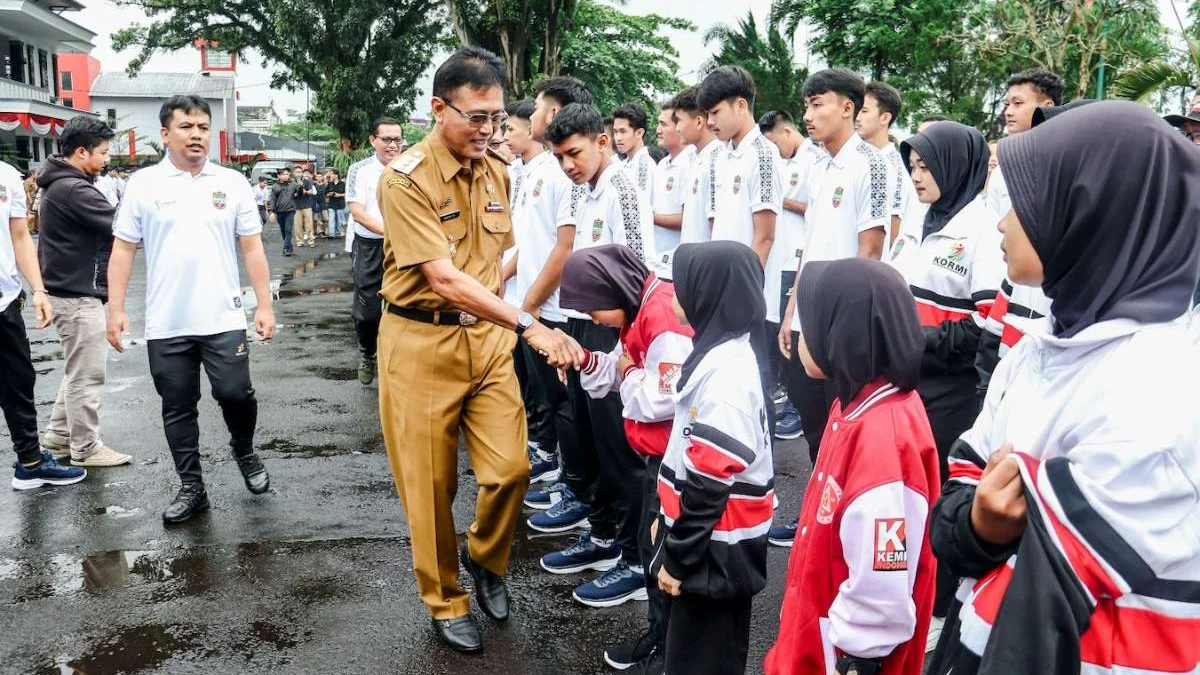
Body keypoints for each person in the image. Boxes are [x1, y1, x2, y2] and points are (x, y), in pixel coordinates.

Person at [926, 101, 1200, 675]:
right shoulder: (1036, 350)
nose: (1002, 222)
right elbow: (957, 498)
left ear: (1091, 214)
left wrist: (986, 521)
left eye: (1025, 203)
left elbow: (1038, 634)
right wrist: (980, 523)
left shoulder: (1156, 394)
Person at [374, 46, 582, 653]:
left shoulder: (496, 171)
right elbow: (442, 277)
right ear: (439, 109)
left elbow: (494, 258)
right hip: (421, 341)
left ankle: (488, 558)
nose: (490, 131)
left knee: (510, 469)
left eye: (497, 119)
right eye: (477, 117)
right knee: (430, 488)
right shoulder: (405, 178)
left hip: (487, 340)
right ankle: (445, 598)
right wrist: (528, 322)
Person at [763, 258, 940, 675]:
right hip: (814, 641)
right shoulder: (857, 405)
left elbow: (880, 587)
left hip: (839, 657)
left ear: (841, 334)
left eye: (810, 326)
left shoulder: (884, 443)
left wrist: (855, 658)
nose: (799, 340)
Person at [106, 94, 276, 524]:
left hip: (223, 316)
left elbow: (252, 247)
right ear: (166, 134)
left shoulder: (231, 182)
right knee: (177, 406)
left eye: (202, 127)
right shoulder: (143, 184)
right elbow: (123, 249)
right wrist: (116, 308)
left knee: (235, 394)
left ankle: (244, 448)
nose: (196, 135)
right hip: (167, 322)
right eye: (186, 127)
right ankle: (192, 486)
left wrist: (264, 305)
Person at [891, 121, 1005, 641]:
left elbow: (985, 325)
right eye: (912, 166)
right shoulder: (921, 220)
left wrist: (920, 342)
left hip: (949, 393)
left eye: (926, 166)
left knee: (937, 496)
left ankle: (936, 612)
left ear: (958, 167)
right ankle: (903, 590)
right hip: (907, 381)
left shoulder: (982, 230)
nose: (917, 176)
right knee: (905, 495)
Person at [558, 244, 694, 673]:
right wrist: (586, 359)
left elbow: (661, 397)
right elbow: (620, 368)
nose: (593, 320)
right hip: (658, 457)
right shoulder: (640, 307)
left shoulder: (661, 314)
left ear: (610, 289)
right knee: (651, 548)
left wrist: (627, 372)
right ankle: (659, 640)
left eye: (592, 309)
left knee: (664, 557)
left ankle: (668, 650)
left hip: (677, 460)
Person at [542, 102, 655, 608]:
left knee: (620, 448)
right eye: (560, 156)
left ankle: (635, 561)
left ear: (603, 140)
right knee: (590, 441)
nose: (568, 163)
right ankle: (606, 538)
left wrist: (629, 346)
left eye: (575, 152)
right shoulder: (582, 190)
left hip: (615, 330)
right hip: (584, 325)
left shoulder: (623, 192)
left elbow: (636, 273)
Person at [654, 241, 773, 675]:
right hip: (709, 544)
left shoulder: (727, 381)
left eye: (682, 286)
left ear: (708, 294)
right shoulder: (720, 353)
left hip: (715, 553)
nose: (673, 294)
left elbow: (708, 484)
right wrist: (665, 515)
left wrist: (678, 557)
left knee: (702, 658)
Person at [779, 68, 888, 471]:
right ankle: (815, 516)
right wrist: (792, 312)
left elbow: (872, 249)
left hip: (845, 323)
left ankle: (843, 522)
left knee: (846, 427)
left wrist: (849, 323)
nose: (808, 114)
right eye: (806, 105)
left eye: (817, 104)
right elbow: (810, 245)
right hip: (810, 317)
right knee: (814, 427)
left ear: (847, 107)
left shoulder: (870, 165)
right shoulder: (819, 168)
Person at [35, 115, 132, 467]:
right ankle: (86, 447)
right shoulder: (74, 189)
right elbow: (121, 225)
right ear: (81, 152)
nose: (107, 159)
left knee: (78, 370)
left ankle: (60, 436)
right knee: (88, 374)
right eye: (103, 152)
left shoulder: (60, 184)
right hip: (75, 295)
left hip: (67, 291)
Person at [517, 77, 591, 526]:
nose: (533, 118)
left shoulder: (566, 171)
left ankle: (576, 488)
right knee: (553, 402)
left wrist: (528, 304)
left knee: (568, 408)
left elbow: (565, 248)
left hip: (557, 308)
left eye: (541, 109)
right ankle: (568, 477)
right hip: (537, 305)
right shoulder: (542, 168)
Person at [975, 69, 1063, 398]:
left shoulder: (1060, 166)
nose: (1008, 111)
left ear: (1046, 106)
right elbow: (994, 229)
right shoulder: (1002, 170)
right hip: (1008, 289)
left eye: (1018, 103)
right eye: (1006, 103)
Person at [2, 159, 86, 490]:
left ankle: (31, 464)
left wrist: (38, 290)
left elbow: (20, 236)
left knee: (18, 383)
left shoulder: (6, 175)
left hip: (5, 301)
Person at [498, 98, 560, 487]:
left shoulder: (552, 170)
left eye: (509, 128)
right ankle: (539, 444)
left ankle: (549, 453)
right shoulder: (523, 170)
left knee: (548, 389)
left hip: (538, 296)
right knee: (528, 379)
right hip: (521, 293)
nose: (504, 135)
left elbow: (555, 243)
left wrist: (504, 275)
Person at [758, 110, 820, 446]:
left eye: (774, 142)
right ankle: (784, 395)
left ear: (786, 130)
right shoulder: (780, 163)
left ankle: (795, 403)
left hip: (799, 255)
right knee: (776, 330)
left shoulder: (814, 158)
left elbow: (816, 208)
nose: (773, 149)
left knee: (792, 333)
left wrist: (780, 201)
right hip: (782, 257)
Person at [700, 65, 781, 267]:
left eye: (715, 112)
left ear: (741, 106)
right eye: (708, 114)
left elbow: (764, 238)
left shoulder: (763, 154)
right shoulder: (717, 156)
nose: (710, 122)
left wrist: (742, 286)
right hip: (720, 277)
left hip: (748, 285)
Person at [347, 117, 406, 386]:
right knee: (368, 312)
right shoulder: (359, 170)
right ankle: (368, 351)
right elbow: (358, 212)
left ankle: (398, 361)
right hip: (371, 246)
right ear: (373, 140)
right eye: (387, 139)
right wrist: (390, 233)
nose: (394, 145)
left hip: (406, 247)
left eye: (398, 139)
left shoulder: (412, 167)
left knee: (406, 306)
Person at [858, 82, 916, 248]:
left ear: (885, 118)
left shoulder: (899, 167)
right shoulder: (847, 160)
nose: (857, 117)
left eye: (864, 111)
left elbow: (894, 223)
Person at [673, 86, 720, 246]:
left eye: (679, 120)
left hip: (707, 264)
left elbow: (716, 226)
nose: (677, 128)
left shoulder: (716, 161)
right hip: (692, 261)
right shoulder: (694, 158)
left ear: (699, 122)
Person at [650, 97, 693, 261]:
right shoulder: (661, 164)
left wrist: (650, 217)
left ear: (679, 127)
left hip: (675, 260)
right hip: (657, 258)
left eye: (664, 124)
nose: (658, 130)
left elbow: (688, 218)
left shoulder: (689, 164)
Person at [612, 103, 655, 203]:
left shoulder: (644, 165)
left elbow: (641, 206)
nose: (618, 138)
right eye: (615, 132)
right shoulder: (623, 164)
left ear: (639, 133)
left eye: (623, 131)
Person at [267, 167, 297, 257]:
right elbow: (272, 199)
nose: (286, 176)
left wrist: (301, 187)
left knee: (288, 230)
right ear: (279, 176)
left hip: (290, 210)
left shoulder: (293, 184)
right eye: (284, 174)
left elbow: (300, 193)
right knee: (283, 231)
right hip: (280, 211)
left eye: (287, 174)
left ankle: (285, 248)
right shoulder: (275, 186)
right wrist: (271, 211)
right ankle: (289, 247)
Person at [293, 169, 317, 248]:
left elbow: (310, 191)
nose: (298, 173)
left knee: (309, 224)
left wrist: (304, 191)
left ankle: (310, 240)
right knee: (298, 225)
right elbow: (292, 194)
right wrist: (296, 193)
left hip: (307, 205)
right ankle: (299, 241)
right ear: (293, 173)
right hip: (296, 206)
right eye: (297, 172)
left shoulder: (307, 181)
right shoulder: (292, 182)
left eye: (300, 172)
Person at [312, 171, 328, 238]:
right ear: (315, 178)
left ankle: (323, 232)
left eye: (320, 176)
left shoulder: (325, 185)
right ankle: (315, 232)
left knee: (325, 219)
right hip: (315, 203)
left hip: (323, 203)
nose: (319, 178)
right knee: (315, 219)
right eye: (317, 176)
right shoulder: (313, 185)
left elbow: (326, 193)